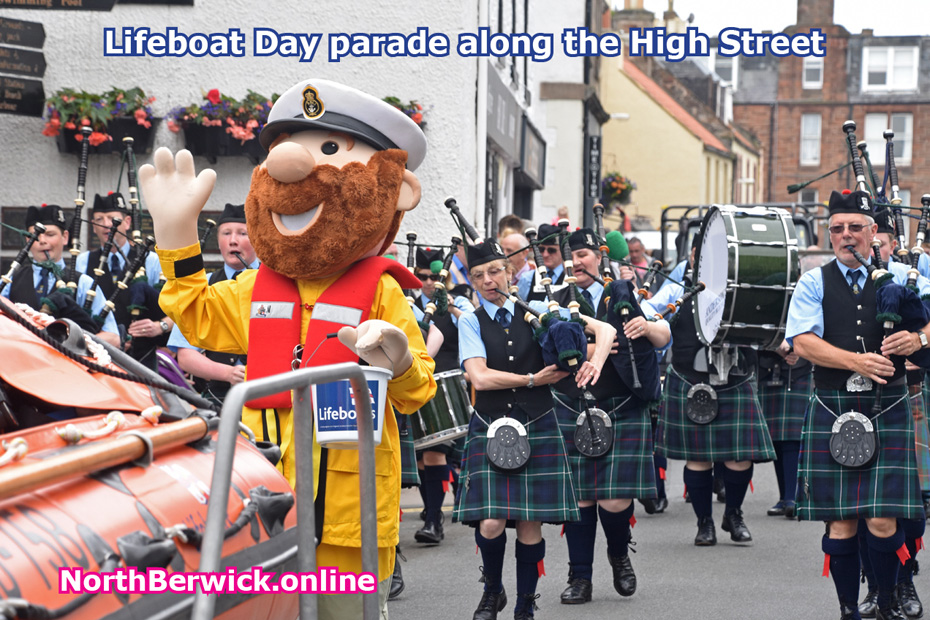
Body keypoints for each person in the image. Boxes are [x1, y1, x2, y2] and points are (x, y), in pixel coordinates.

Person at [141, 77, 437, 619]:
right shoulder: (258, 286)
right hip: (267, 503)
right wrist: (176, 236)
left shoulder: (381, 290)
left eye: (329, 149)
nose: (289, 165)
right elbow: (198, 315)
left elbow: (417, 391)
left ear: (395, 192)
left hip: (348, 512)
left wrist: (397, 362)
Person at [787, 190, 930, 620]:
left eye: (854, 227)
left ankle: (886, 601)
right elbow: (803, 342)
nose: (845, 235)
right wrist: (856, 361)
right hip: (834, 406)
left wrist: (918, 338)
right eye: (837, 228)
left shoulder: (904, 275)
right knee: (841, 522)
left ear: (873, 232)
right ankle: (849, 609)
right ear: (828, 234)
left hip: (888, 405)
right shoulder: (814, 281)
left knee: (884, 520)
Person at [455, 238, 614, 620]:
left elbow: (605, 330)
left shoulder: (542, 311)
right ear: (472, 281)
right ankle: (492, 591)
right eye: (478, 275)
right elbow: (479, 376)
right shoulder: (469, 321)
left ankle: (525, 603)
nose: (488, 281)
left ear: (510, 273)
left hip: (537, 425)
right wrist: (531, 380)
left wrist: (594, 364)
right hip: (491, 427)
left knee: (529, 525)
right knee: (490, 523)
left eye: (495, 271)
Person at [549, 228, 670, 604]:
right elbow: (544, 346)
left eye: (583, 254)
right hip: (572, 408)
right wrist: (586, 348)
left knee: (615, 501)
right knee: (581, 501)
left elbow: (664, 333)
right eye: (571, 256)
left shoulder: (620, 293)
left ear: (599, 257)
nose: (577, 262)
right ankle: (580, 577)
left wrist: (647, 327)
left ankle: (619, 555)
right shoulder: (551, 300)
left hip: (622, 406)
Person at [642, 231, 775, 547]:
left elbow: (766, 322)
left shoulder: (741, 289)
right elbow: (650, 313)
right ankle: (704, 523)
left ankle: (734, 514)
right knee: (697, 459)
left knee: (740, 458)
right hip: (689, 379)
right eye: (700, 254)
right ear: (692, 257)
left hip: (735, 378)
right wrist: (642, 312)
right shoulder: (676, 289)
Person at [855, 206, 927, 619]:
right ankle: (876, 584)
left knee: (911, 507)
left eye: (879, 241)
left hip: (909, 395)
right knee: (865, 507)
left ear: (890, 242)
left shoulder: (912, 276)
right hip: (856, 401)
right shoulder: (838, 282)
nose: (873, 248)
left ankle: (905, 578)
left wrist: (919, 339)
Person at [411, 246, 475, 545]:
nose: (428, 282)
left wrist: (449, 307)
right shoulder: (409, 303)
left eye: (434, 277)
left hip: (448, 384)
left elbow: (473, 328)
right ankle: (433, 509)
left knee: (435, 453)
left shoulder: (458, 300)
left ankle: (434, 521)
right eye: (423, 276)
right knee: (421, 457)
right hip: (415, 384)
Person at [166, 203, 258, 407]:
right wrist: (228, 373)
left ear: (258, 238)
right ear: (218, 240)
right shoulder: (204, 286)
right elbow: (186, 355)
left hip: (270, 395)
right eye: (226, 233)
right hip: (220, 399)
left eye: (242, 233)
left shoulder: (273, 283)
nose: (233, 240)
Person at [2, 204, 120, 347]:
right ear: (28, 240)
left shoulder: (83, 283)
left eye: (50, 234)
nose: (42, 240)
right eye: (35, 235)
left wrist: (73, 344)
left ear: (65, 237)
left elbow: (113, 337)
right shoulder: (10, 280)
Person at [75, 192, 172, 361]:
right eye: (99, 219)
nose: (106, 224)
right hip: (97, 356)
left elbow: (178, 309)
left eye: (113, 219)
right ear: (93, 226)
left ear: (127, 222)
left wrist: (160, 326)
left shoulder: (151, 260)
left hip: (143, 357)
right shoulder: (83, 262)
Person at [757, 341, 811, 520]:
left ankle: (791, 498)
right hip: (766, 366)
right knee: (776, 438)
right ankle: (784, 498)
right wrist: (773, 345)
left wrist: (799, 347)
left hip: (800, 368)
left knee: (792, 436)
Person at [517, 224, 567, 302]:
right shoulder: (527, 279)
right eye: (541, 249)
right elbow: (518, 307)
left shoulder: (571, 277)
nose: (545, 254)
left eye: (551, 250)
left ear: (562, 251)